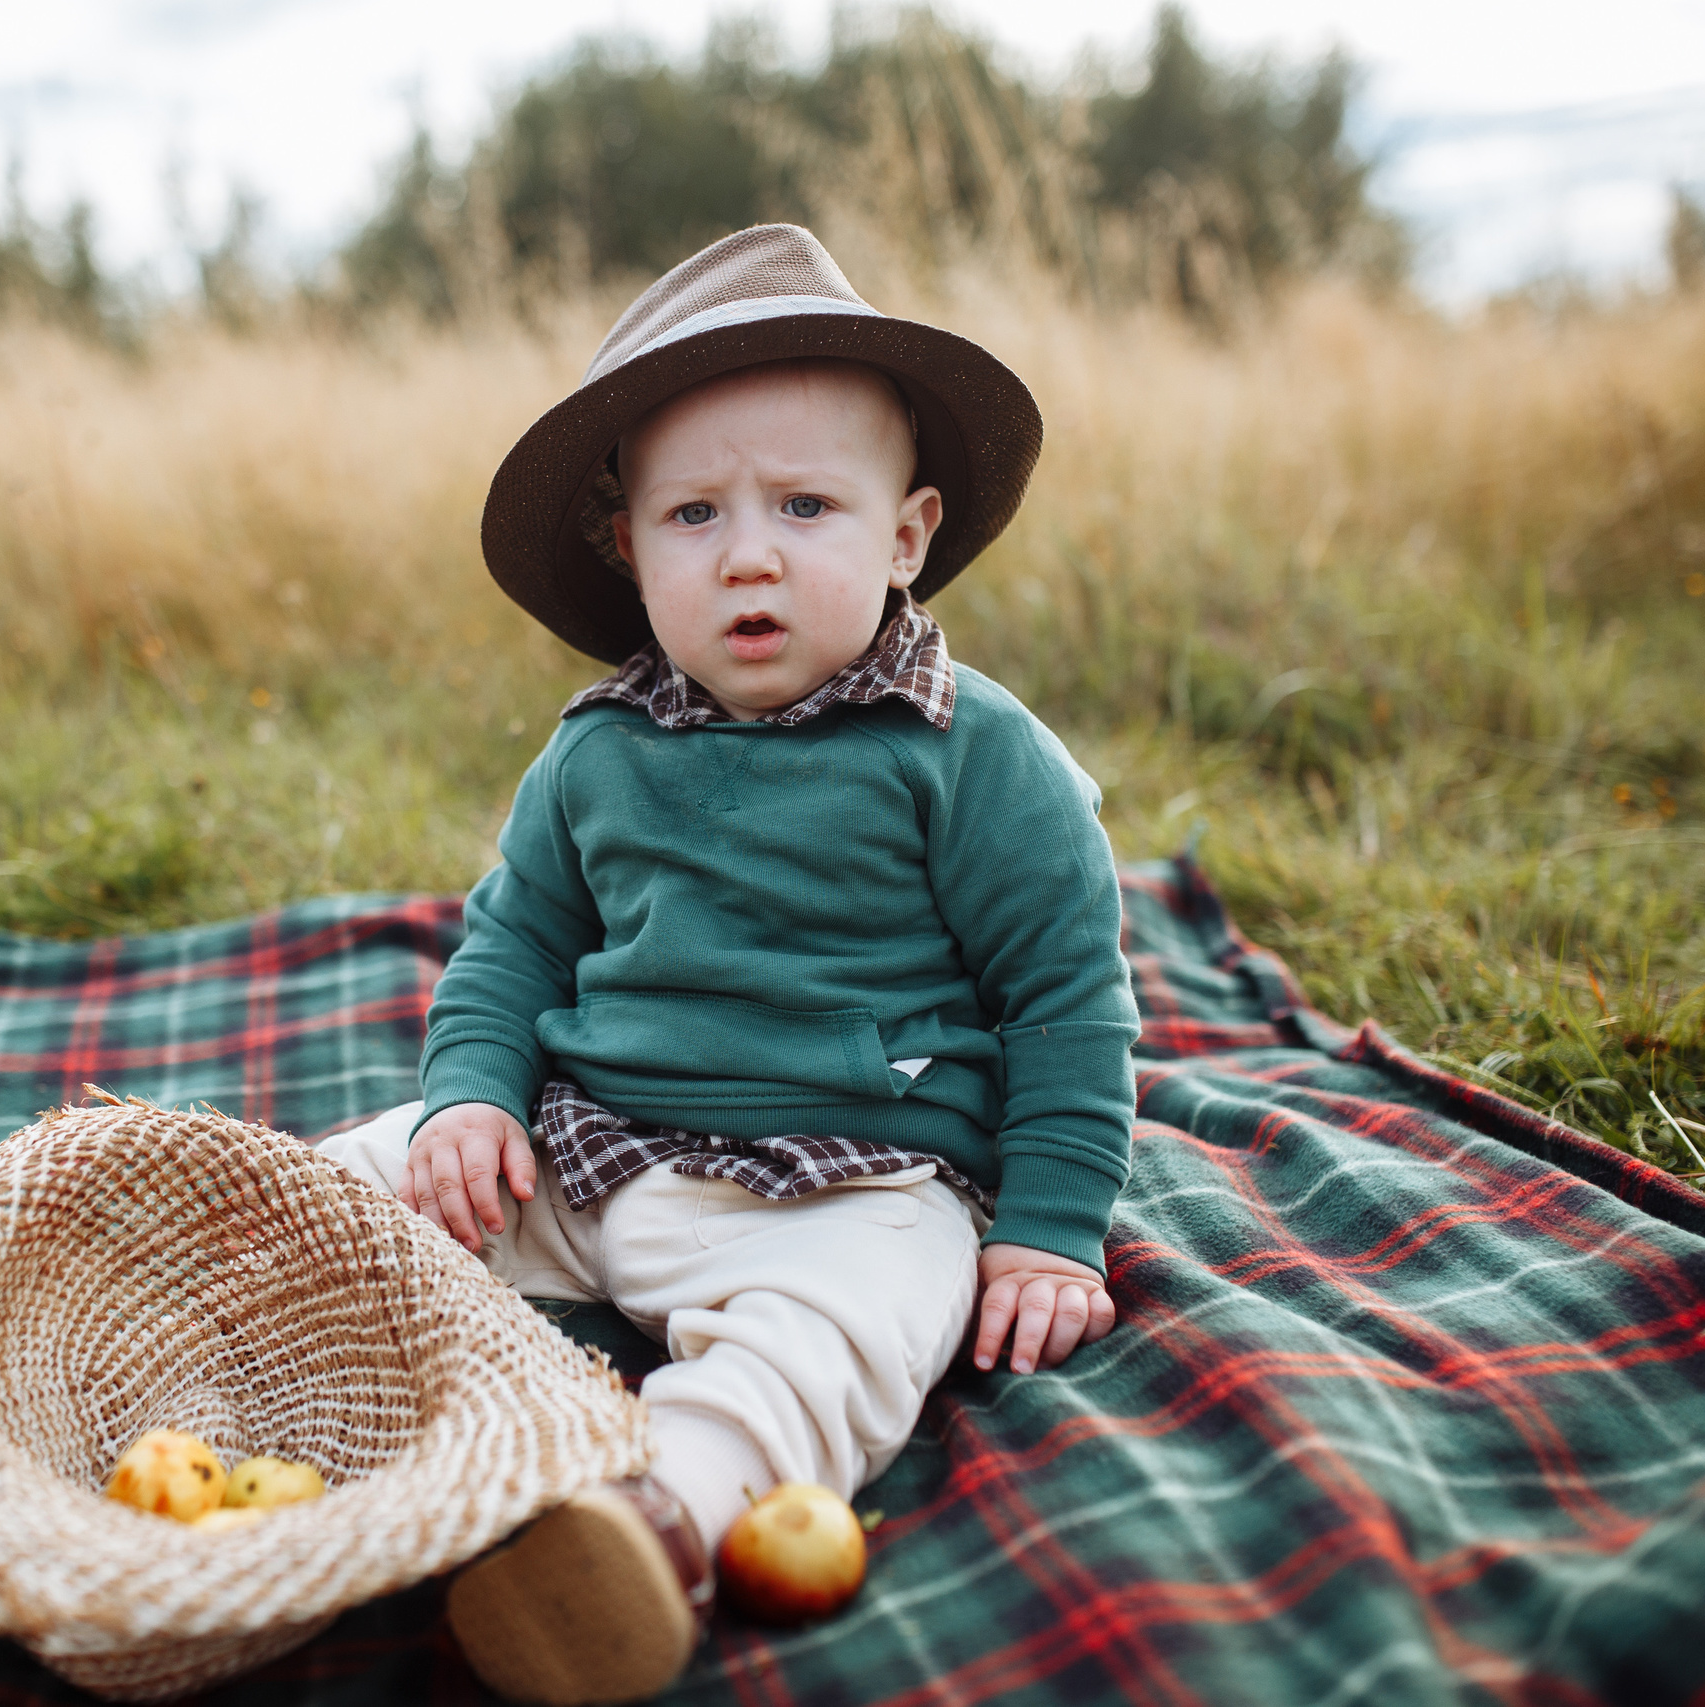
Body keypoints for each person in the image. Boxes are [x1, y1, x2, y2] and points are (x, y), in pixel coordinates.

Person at [316, 224, 1137, 1705]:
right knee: (350, 1183)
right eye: (694, 513)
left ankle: (648, 1523)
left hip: (857, 1179)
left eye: (807, 504)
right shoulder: (598, 753)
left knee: (847, 1335)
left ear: (906, 534)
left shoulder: (973, 757)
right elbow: (510, 948)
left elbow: (1068, 999)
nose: (749, 551)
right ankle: (200, 1314)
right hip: (589, 1152)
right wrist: (467, 1107)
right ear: (627, 552)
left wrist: (1052, 1229)